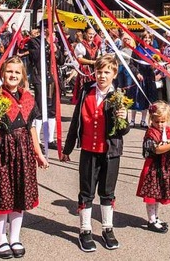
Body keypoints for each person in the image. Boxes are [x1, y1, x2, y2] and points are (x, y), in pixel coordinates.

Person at [0, 56, 48, 259]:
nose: (13, 75)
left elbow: (31, 128)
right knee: (2, 195)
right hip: (2, 149)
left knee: (19, 194)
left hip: (24, 150)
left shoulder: (28, 98)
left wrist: (38, 153)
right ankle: (0, 238)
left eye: (17, 72)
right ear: (2, 73)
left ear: (23, 76)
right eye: (9, 71)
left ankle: (15, 237)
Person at [61, 54, 129, 252]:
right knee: (86, 191)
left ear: (114, 74)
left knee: (107, 193)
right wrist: (67, 148)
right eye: (99, 72)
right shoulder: (86, 91)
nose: (102, 76)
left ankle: (108, 228)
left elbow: (123, 130)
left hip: (111, 152)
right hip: (89, 151)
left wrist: (124, 118)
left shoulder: (119, 96)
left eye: (107, 72)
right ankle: (85, 230)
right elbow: (76, 121)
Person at [136, 101, 170, 233]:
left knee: (159, 192)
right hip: (153, 168)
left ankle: (155, 217)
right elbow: (156, 150)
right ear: (152, 120)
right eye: (157, 122)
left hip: (164, 166)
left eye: (163, 121)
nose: (160, 125)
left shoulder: (168, 131)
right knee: (152, 194)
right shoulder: (151, 133)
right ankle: (151, 220)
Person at [27, 21, 65, 151]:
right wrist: (48, 44)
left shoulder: (55, 43)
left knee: (52, 109)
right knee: (39, 109)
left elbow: (61, 60)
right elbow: (36, 57)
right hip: (40, 79)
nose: (54, 32)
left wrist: (56, 50)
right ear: (44, 29)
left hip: (53, 79)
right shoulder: (34, 42)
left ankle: (50, 139)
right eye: (52, 29)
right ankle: (36, 140)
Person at [130, 31, 159, 128]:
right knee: (136, 99)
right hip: (139, 78)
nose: (147, 40)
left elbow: (156, 66)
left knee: (147, 100)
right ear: (141, 39)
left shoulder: (153, 51)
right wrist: (137, 73)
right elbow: (131, 64)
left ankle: (143, 120)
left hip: (149, 78)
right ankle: (132, 120)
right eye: (145, 38)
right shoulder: (137, 50)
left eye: (149, 38)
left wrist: (155, 68)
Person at [71, 26, 100, 104]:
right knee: (84, 90)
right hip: (85, 71)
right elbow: (79, 59)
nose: (91, 36)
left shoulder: (95, 46)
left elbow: (98, 57)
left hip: (94, 71)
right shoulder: (81, 45)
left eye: (93, 34)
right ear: (85, 34)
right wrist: (92, 62)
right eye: (90, 34)